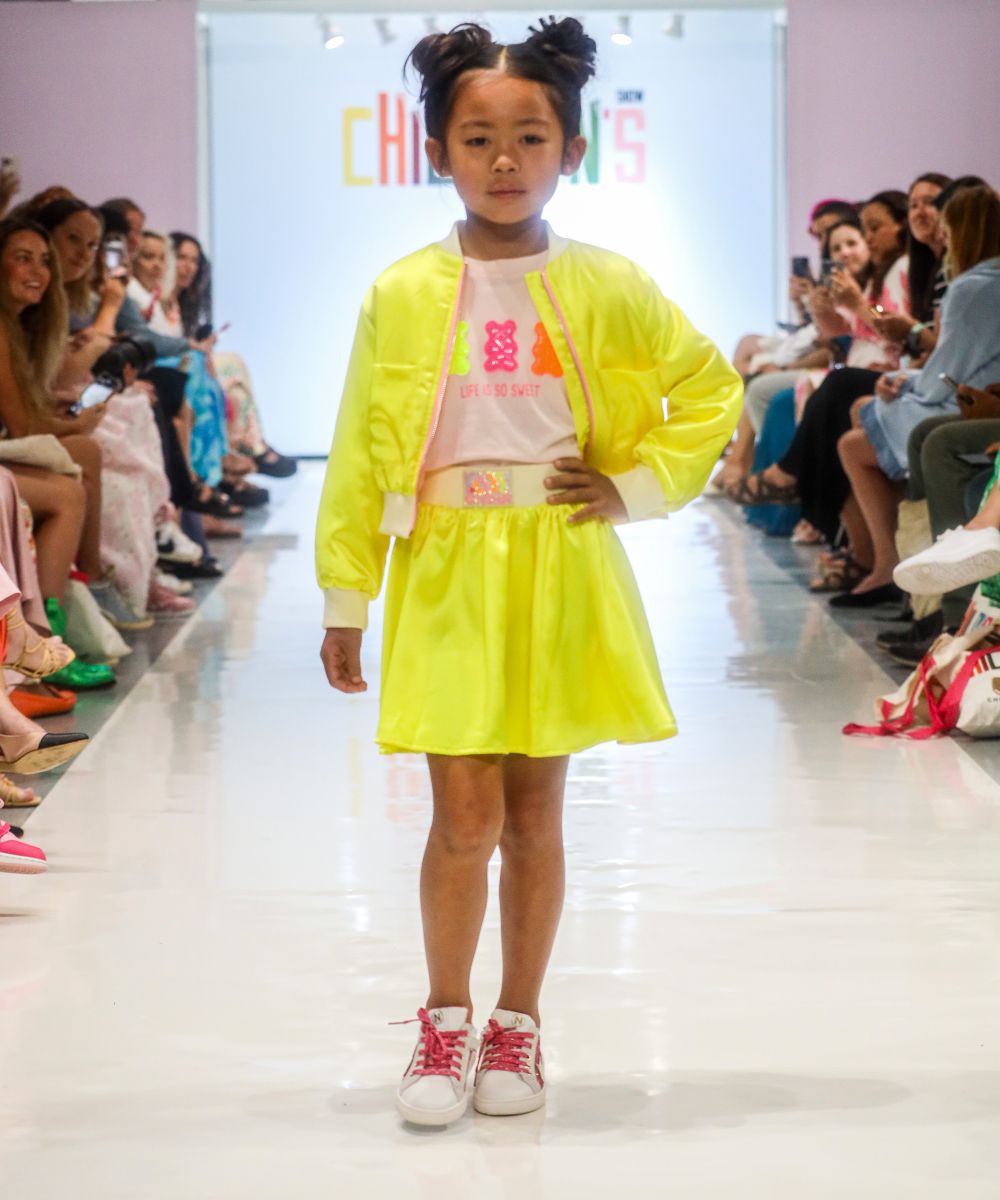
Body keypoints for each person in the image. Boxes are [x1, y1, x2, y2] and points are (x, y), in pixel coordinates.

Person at [316, 18, 742, 1128]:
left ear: (571, 148)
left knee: (536, 815)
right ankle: (442, 1018)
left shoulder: (605, 282)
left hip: (558, 561)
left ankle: (520, 1022)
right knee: (460, 810)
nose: (504, 160)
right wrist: (344, 594)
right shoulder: (402, 290)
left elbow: (708, 387)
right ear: (438, 152)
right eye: (477, 138)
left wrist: (631, 487)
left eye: (529, 136)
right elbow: (364, 439)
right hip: (448, 566)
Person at [836, 184, 1000, 604]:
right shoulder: (967, 281)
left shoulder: (972, 286)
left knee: (857, 437)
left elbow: (948, 363)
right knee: (857, 411)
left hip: (967, 396)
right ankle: (882, 564)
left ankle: (887, 568)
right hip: (967, 389)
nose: (941, 237)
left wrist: (904, 378)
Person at [170, 231, 296, 479]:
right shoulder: (158, 299)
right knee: (229, 371)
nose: (188, 267)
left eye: (194, 261)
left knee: (234, 380)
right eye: (181, 258)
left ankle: (243, 455)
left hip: (188, 365)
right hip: (172, 369)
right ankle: (249, 450)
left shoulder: (183, 302)